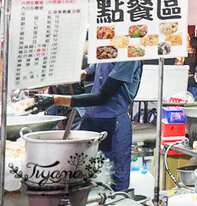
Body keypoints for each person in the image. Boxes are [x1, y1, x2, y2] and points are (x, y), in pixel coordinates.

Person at [28, 61, 143, 190]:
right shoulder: (104, 49)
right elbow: (92, 72)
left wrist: (55, 100)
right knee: (83, 175)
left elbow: (102, 97)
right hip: (90, 121)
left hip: (113, 125)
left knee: (114, 178)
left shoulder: (128, 58)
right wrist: (74, 77)